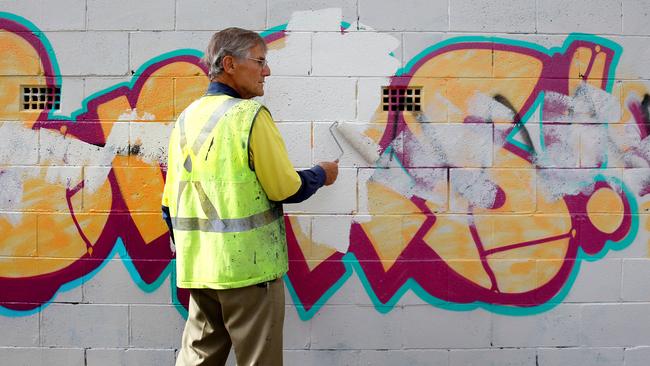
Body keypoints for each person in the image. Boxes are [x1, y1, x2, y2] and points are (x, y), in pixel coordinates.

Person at [161, 27, 338, 366]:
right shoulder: (249, 116)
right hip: (249, 273)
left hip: (199, 270)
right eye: (260, 61)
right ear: (229, 63)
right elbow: (286, 188)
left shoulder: (186, 118)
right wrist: (321, 174)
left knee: (197, 359)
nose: (266, 71)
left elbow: (168, 204)